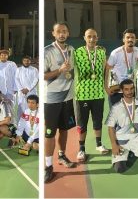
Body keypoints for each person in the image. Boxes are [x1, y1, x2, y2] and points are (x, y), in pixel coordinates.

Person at [44, 22, 76, 183]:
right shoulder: (47, 51)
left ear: (68, 33)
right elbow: (43, 76)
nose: (62, 34)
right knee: (49, 133)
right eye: (59, 32)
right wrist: (60, 70)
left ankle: (62, 155)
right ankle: (48, 166)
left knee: (64, 129)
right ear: (54, 34)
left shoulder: (71, 50)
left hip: (68, 98)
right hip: (51, 99)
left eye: (64, 31)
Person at [74, 28, 109, 162]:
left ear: (97, 38)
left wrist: (105, 86)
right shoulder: (78, 53)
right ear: (84, 38)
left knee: (97, 121)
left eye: (94, 37)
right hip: (82, 94)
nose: (92, 39)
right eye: (89, 37)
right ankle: (81, 149)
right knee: (82, 124)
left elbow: (106, 71)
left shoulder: (101, 52)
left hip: (98, 93)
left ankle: (99, 144)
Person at [106, 79, 138, 173]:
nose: (130, 91)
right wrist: (114, 145)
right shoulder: (116, 107)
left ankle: (133, 151)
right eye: (126, 89)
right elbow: (110, 127)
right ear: (122, 90)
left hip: (136, 138)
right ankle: (127, 153)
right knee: (120, 169)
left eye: (132, 88)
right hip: (121, 141)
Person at [105, 29, 138, 106]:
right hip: (116, 90)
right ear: (123, 39)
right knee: (115, 115)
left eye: (132, 37)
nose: (130, 39)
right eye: (128, 37)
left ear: (135, 40)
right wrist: (106, 87)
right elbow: (107, 69)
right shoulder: (115, 53)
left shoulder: (136, 50)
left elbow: (136, 58)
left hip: (130, 89)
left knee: (130, 114)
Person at [15, 55, 38, 120]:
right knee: (21, 107)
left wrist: (28, 89)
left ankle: (32, 124)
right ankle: (19, 125)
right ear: (22, 61)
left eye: (28, 60)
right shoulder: (18, 69)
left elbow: (36, 80)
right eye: (24, 60)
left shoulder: (34, 69)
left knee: (32, 108)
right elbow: (16, 79)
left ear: (30, 61)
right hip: (21, 92)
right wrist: (21, 89)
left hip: (31, 92)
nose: (26, 62)